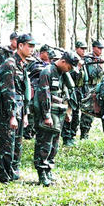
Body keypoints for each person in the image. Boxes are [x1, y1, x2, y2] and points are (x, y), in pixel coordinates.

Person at [32, 51, 76, 186]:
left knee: (54, 144)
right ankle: (42, 173)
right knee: (44, 143)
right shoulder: (47, 72)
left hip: (59, 113)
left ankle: (49, 169)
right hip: (49, 114)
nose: (70, 70)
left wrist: (68, 112)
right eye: (69, 67)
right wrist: (46, 116)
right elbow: (43, 95)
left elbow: (65, 93)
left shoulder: (62, 74)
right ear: (63, 62)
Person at [0, 33, 34, 183]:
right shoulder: (9, 64)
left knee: (17, 143)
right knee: (6, 143)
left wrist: (24, 114)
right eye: (29, 46)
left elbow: (24, 92)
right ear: (20, 46)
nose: (32, 49)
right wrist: (12, 115)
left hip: (19, 109)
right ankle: (4, 175)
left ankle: (13, 172)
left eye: (33, 47)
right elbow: (8, 92)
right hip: (8, 111)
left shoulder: (22, 65)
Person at [63, 42, 88, 145]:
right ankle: (66, 137)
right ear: (76, 48)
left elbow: (84, 77)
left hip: (78, 91)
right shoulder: (71, 59)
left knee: (76, 115)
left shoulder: (83, 61)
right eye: (82, 48)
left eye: (85, 49)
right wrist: (77, 67)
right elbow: (67, 75)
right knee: (68, 114)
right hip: (70, 91)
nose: (84, 51)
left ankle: (72, 135)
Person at [82, 41, 104, 139]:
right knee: (87, 112)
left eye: (101, 49)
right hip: (88, 87)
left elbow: (101, 75)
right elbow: (91, 73)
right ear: (94, 48)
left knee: (94, 111)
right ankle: (84, 134)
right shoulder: (88, 59)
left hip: (96, 87)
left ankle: (86, 132)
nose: (100, 51)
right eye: (99, 48)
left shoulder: (99, 60)